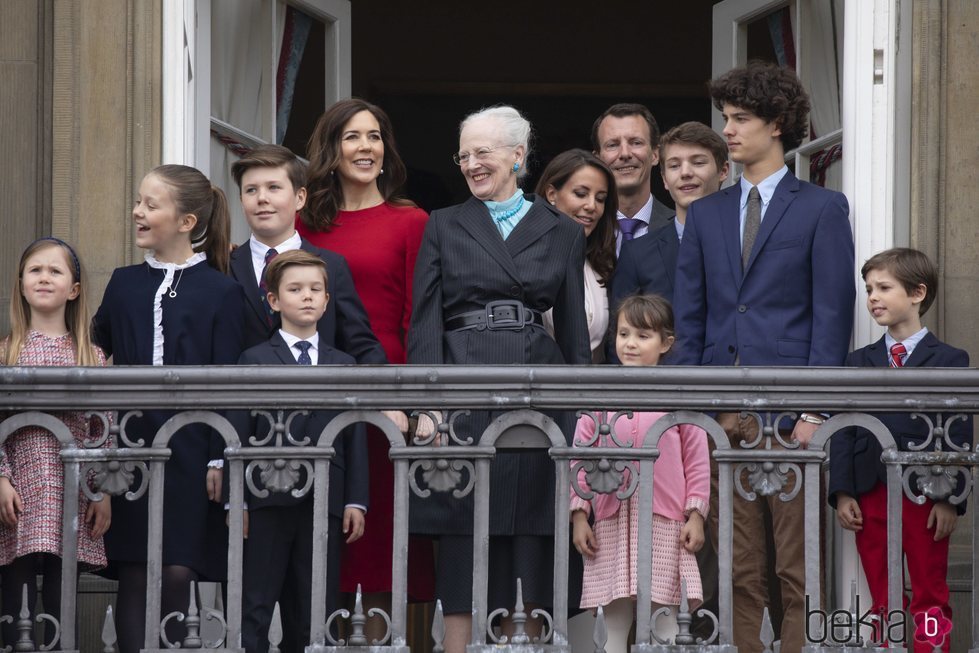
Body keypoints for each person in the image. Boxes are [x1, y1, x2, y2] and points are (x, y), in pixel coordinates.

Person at [672, 61, 855, 652]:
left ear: (776, 124)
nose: (728, 130)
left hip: (791, 420)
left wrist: (814, 414)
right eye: (726, 118)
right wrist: (699, 414)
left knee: (798, 572)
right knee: (738, 570)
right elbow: (692, 322)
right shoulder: (705, 213)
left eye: (741, 119)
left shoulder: (822, 209)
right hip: (726, 419)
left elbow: (832, 317)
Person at [408, 104, 591, 653]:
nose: (470, 164)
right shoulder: (443, 222)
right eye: (463, 155)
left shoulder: (561, 229)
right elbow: (424, 320)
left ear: (517, 155)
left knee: (534, 530)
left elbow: (576, 332)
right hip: (464, 382)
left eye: (482, 152)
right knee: (464, 532)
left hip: (538, 386)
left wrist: (582, 420)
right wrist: (427, 407)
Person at [91, 164, 248, 653]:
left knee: (178, 567)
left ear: (186, 221)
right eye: (139, 201)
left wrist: (222, 457)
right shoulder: (122, 282)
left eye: (151, 204)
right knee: (136, 567)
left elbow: (229, 383)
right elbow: (94, 352)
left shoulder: (222, 290)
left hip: (193, 447)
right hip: (131, 444)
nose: (137, 211)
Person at [298, 98, 435, 632]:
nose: (365, 147)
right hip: (320, 392)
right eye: (352, 136)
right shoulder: (303, 225)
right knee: (324, 537)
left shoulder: (410, 221)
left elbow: (417, 320)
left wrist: (411, 402)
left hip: (387, 396)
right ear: (331, 149)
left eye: (375, 136)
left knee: (382, 542)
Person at [829, 248, 969, 653]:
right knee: (883, 594)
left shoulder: (950, 361)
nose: (873, 296)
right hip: (870, 494)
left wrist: (950, 500)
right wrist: (842, 492)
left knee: (930, 590)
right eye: (869, 288)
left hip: (926, 496)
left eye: (884, 288)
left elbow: (958, 435)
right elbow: (843, 430)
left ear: (917, 293)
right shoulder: (857, 362)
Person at [233, 250, 369, 653]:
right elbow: (238, 432)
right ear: (273, 300)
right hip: (265, 500)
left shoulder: (344, 364)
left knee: (314, 607)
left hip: (325, 500)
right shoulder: (253, 360)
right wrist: (235, 501)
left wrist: (356, 499)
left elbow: (354, 436)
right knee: (255, 601)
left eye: (315, 290)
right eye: (295, 289)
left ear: (328, 300)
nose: (307, 297)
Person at [571, 295, 709, 651]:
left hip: (664, 524)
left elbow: (696, 460)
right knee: (612, 626)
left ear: (666, 343)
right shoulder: (600, 394)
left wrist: (696, 514)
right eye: (623, 333)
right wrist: (579, 515)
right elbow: (579, 458)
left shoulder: (678, 395)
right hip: (610, 525)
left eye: (643, 336)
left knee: (663, 626)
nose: (630, 343)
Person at [0, 238, 112, 644]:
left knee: (65, 595)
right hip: (17, 489)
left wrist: (103, 491)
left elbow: (104, 429)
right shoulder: (7, 353)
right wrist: (1, 478)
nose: (44, 277)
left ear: (74, 288)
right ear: (21, 284)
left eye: (55, 271)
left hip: (73, 488)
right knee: (18, 592)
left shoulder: (91, 356)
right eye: (35, 270)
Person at [229, 143, 386, 363]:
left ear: (300, 198)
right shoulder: (223, 264)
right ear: (241, 200)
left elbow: (361, 345)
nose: (262, 198)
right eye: (251, 190)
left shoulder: (332, 265)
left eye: (274, 187)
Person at [612, 122, 729, 307]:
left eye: (698, 163)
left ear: (723, 171)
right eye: (674, 166)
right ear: (665, 180)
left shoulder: (745, 241)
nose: (685, 173)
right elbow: (620, 331)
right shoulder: (637, 254)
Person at [535, 149, 618, 362]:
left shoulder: (601, 264)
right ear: (551, 194)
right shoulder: (527, 260)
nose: (591, 206)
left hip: (591, 390)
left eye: (601, 199)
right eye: (581, 194)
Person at [591, 103, 673, 254]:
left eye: (636, 143)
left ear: (655, 155)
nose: (625, 154)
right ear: (598, 160)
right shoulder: (582, 228)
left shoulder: (682, 228)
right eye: (612, 145)